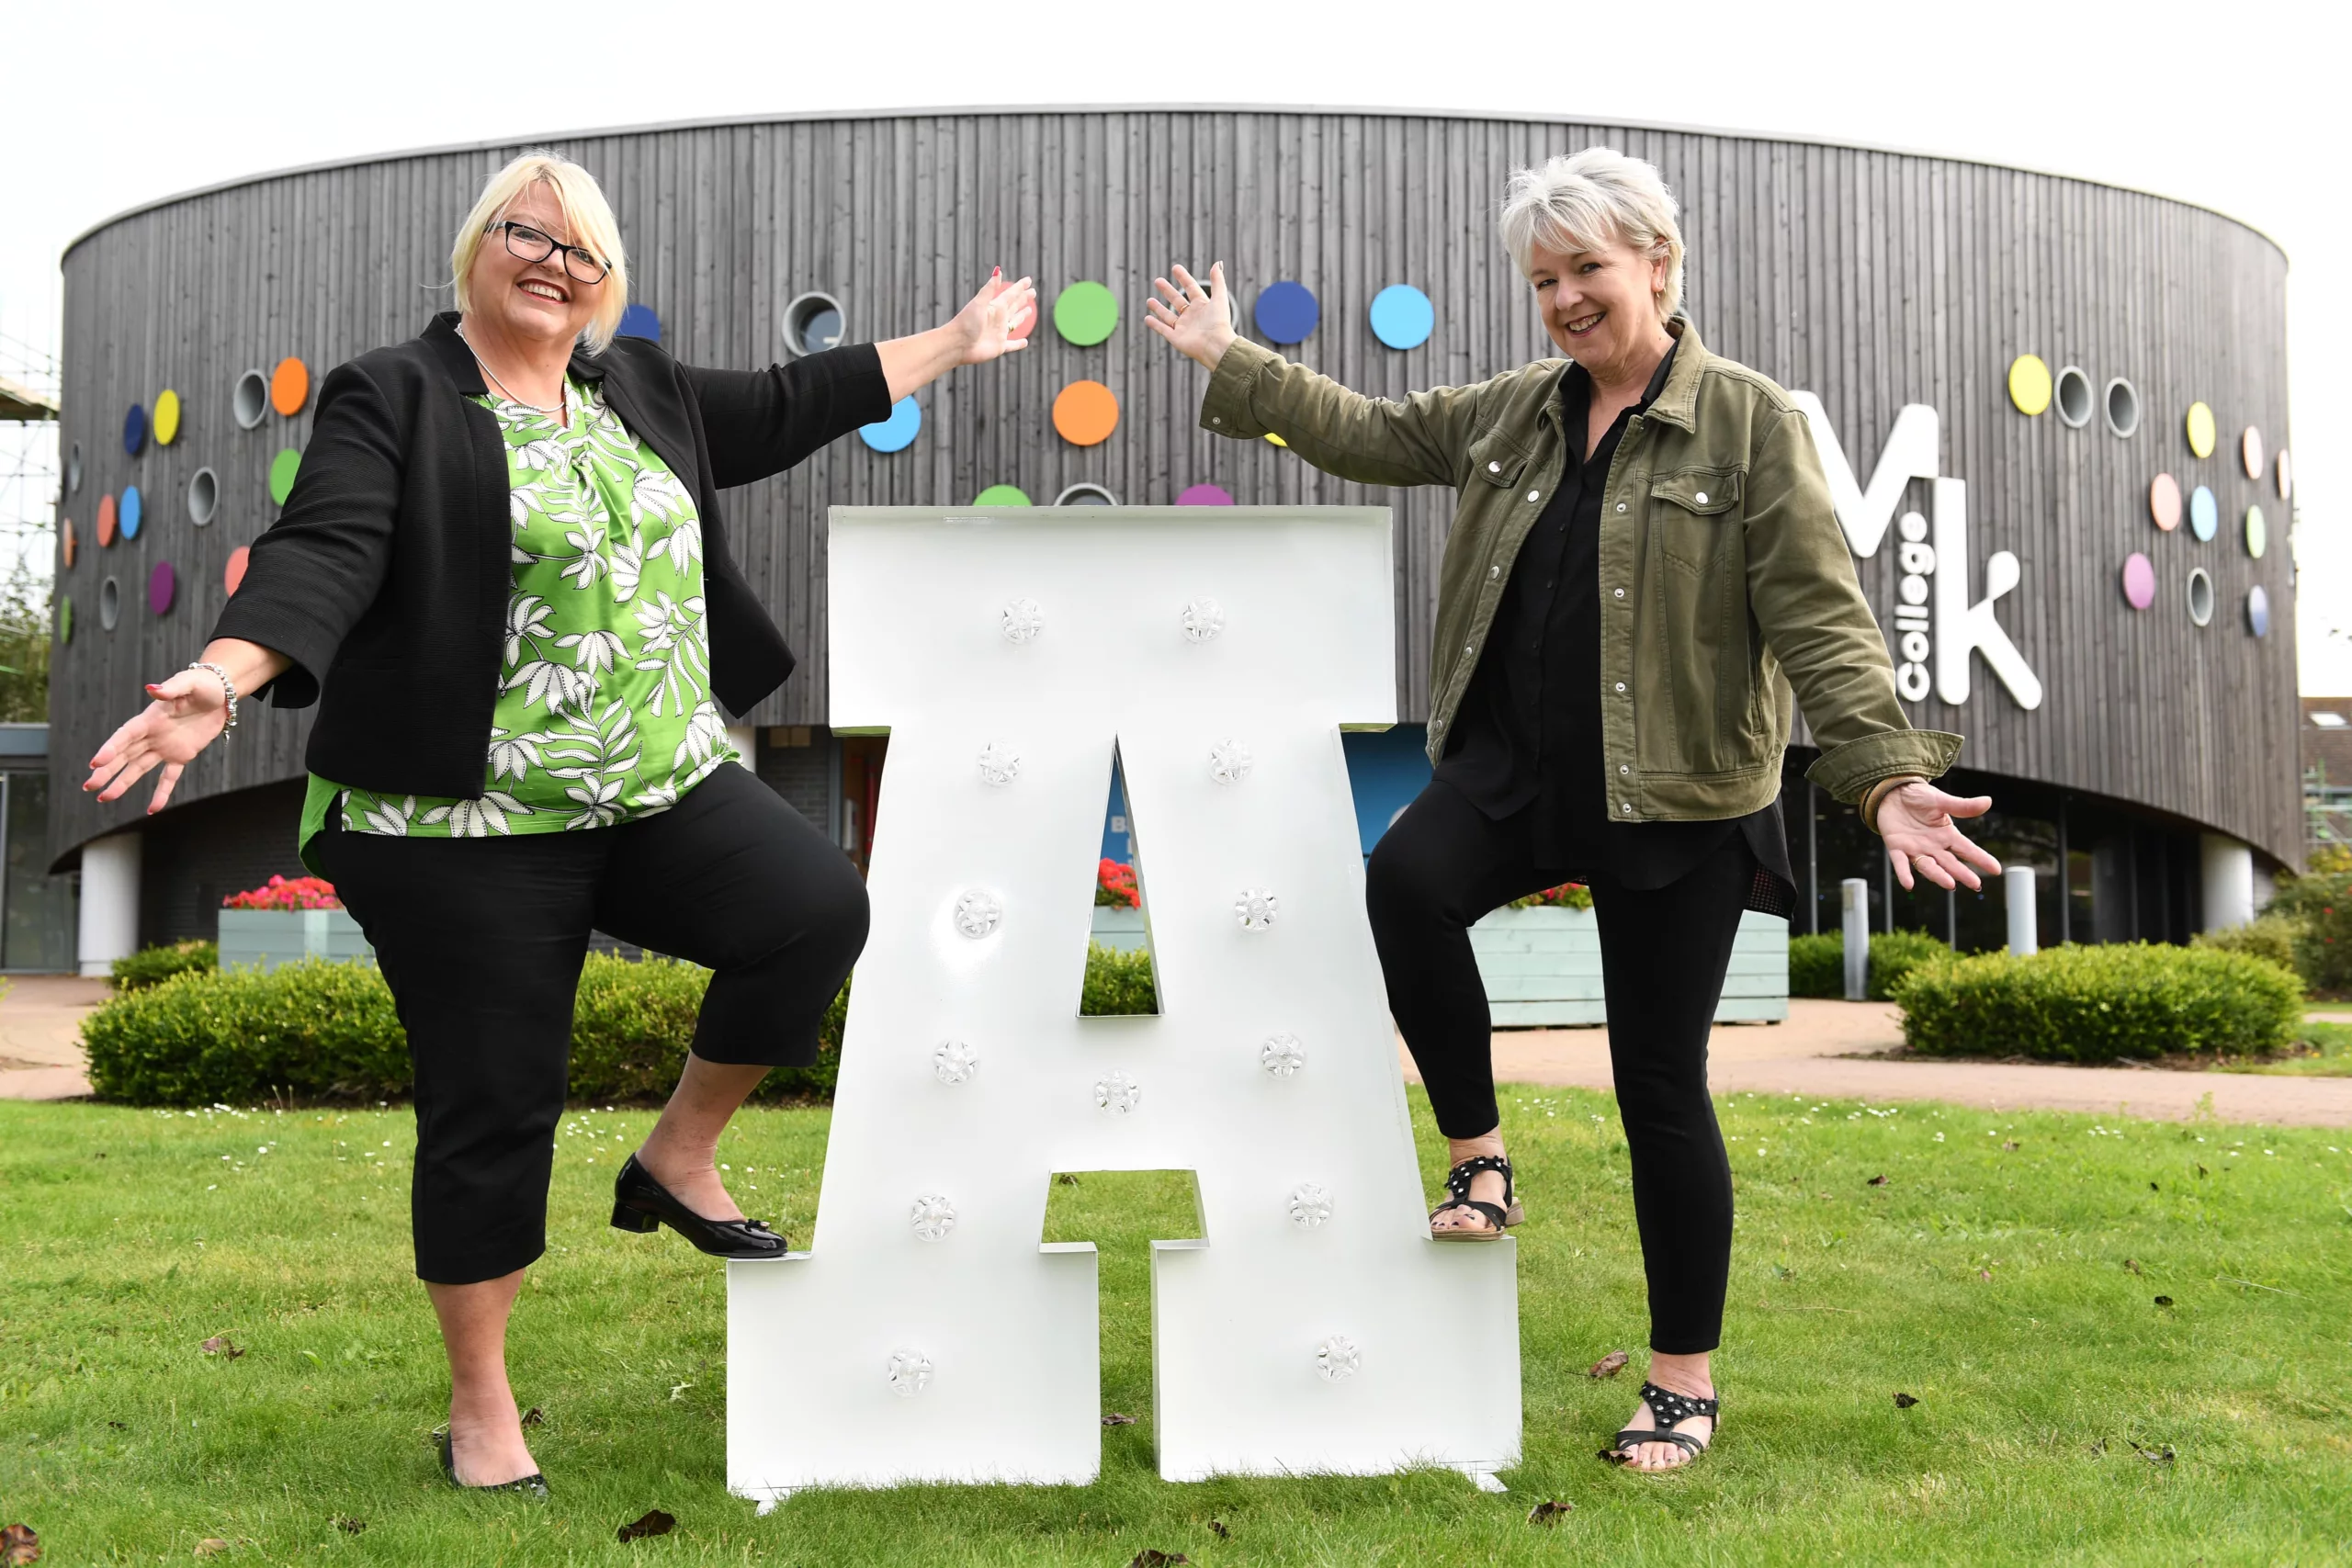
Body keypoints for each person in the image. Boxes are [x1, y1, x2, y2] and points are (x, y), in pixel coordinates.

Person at [84, 151, 1037, 1494]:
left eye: (582, 250)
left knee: (814, 909)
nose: (554, 261)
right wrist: (225, 677)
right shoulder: (397, 394)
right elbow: (330, 543)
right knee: (495, 1102)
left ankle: (676, 1153)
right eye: (526, 234)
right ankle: (482, 1408)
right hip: (455, 818)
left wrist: (957, 339)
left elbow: (793, 398)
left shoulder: (633, 388)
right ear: (477, 249)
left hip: (651, 784)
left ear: (607, 284)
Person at [1145, 146, 1999, 1472]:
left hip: (1677, 797)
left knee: (1659, 1088)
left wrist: (1882, 773)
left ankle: (1681, 1381)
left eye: (1587, 269)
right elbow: (1367, 430)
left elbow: (1821, 617)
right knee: (1403, 881)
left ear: (1658, 262)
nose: (1564, 299)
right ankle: (1481, 1153)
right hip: (1515, 777)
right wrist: (1226, 355)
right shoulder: (1514, 411)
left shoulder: (1750, 422)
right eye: (1543, 278)